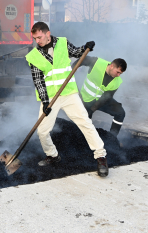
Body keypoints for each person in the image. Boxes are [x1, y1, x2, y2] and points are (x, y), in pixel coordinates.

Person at [26, 22, 109, 177]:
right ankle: (53, 155)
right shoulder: (34, 56)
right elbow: (38, 81)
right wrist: (45, 102)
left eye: (39, 37)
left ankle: (101, 157)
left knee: (85, 123)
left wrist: (85, 47)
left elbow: (77, 53)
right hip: (51, 98)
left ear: (47, 33)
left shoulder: (62, 43)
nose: (37, 41)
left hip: (69, 94)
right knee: (42, 132)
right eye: (35, 38)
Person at [78, 56, 127, 137]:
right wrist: (71, 70)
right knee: (84, 124)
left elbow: (107, 97)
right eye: (117, 72)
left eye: (120, 73)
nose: (118, 75)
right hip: (86, 98)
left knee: (120, 113)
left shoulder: (117, 81)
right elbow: (82, 59)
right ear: (112, 66)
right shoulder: (97, 63)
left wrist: (92, 109)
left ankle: (112, 138)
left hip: (101, 100)